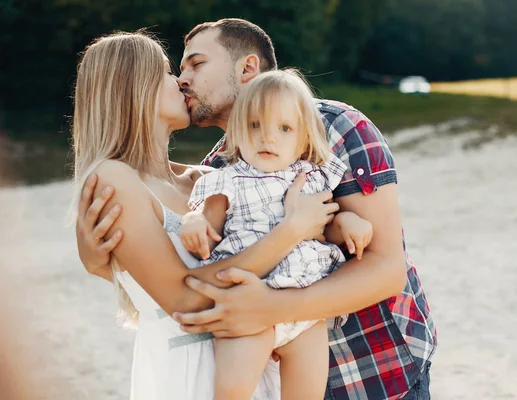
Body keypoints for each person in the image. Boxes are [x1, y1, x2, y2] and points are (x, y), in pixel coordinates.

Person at [78, 19, 437, 399]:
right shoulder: (221, 170)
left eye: (194, 65)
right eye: (174, 71)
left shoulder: (334, 128)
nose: (182, 79)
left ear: (247, 68)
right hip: (255, 375)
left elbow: (383, 267)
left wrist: (277, 303)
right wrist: (100, 262)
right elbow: (171, 275)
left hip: (374, 373)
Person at [71, 31, 340, 399]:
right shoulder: (115, 178)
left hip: (250, 364)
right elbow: (184, 300)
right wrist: (291, 230)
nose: (181, 81)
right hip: (187, 378)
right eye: (166, 71)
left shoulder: (211, 177)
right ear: (133, 87)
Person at [180, 69, 373, 398]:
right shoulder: (228, 180)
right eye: (255, 126)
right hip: (248, 305)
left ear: (303, 139)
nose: (268, 138)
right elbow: (203, 219)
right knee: (232, 389)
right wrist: (193, 221)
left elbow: (329, 226)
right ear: (238, 132)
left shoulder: (313, 178)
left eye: (284, 129)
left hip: (303, 309)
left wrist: (351, 222)